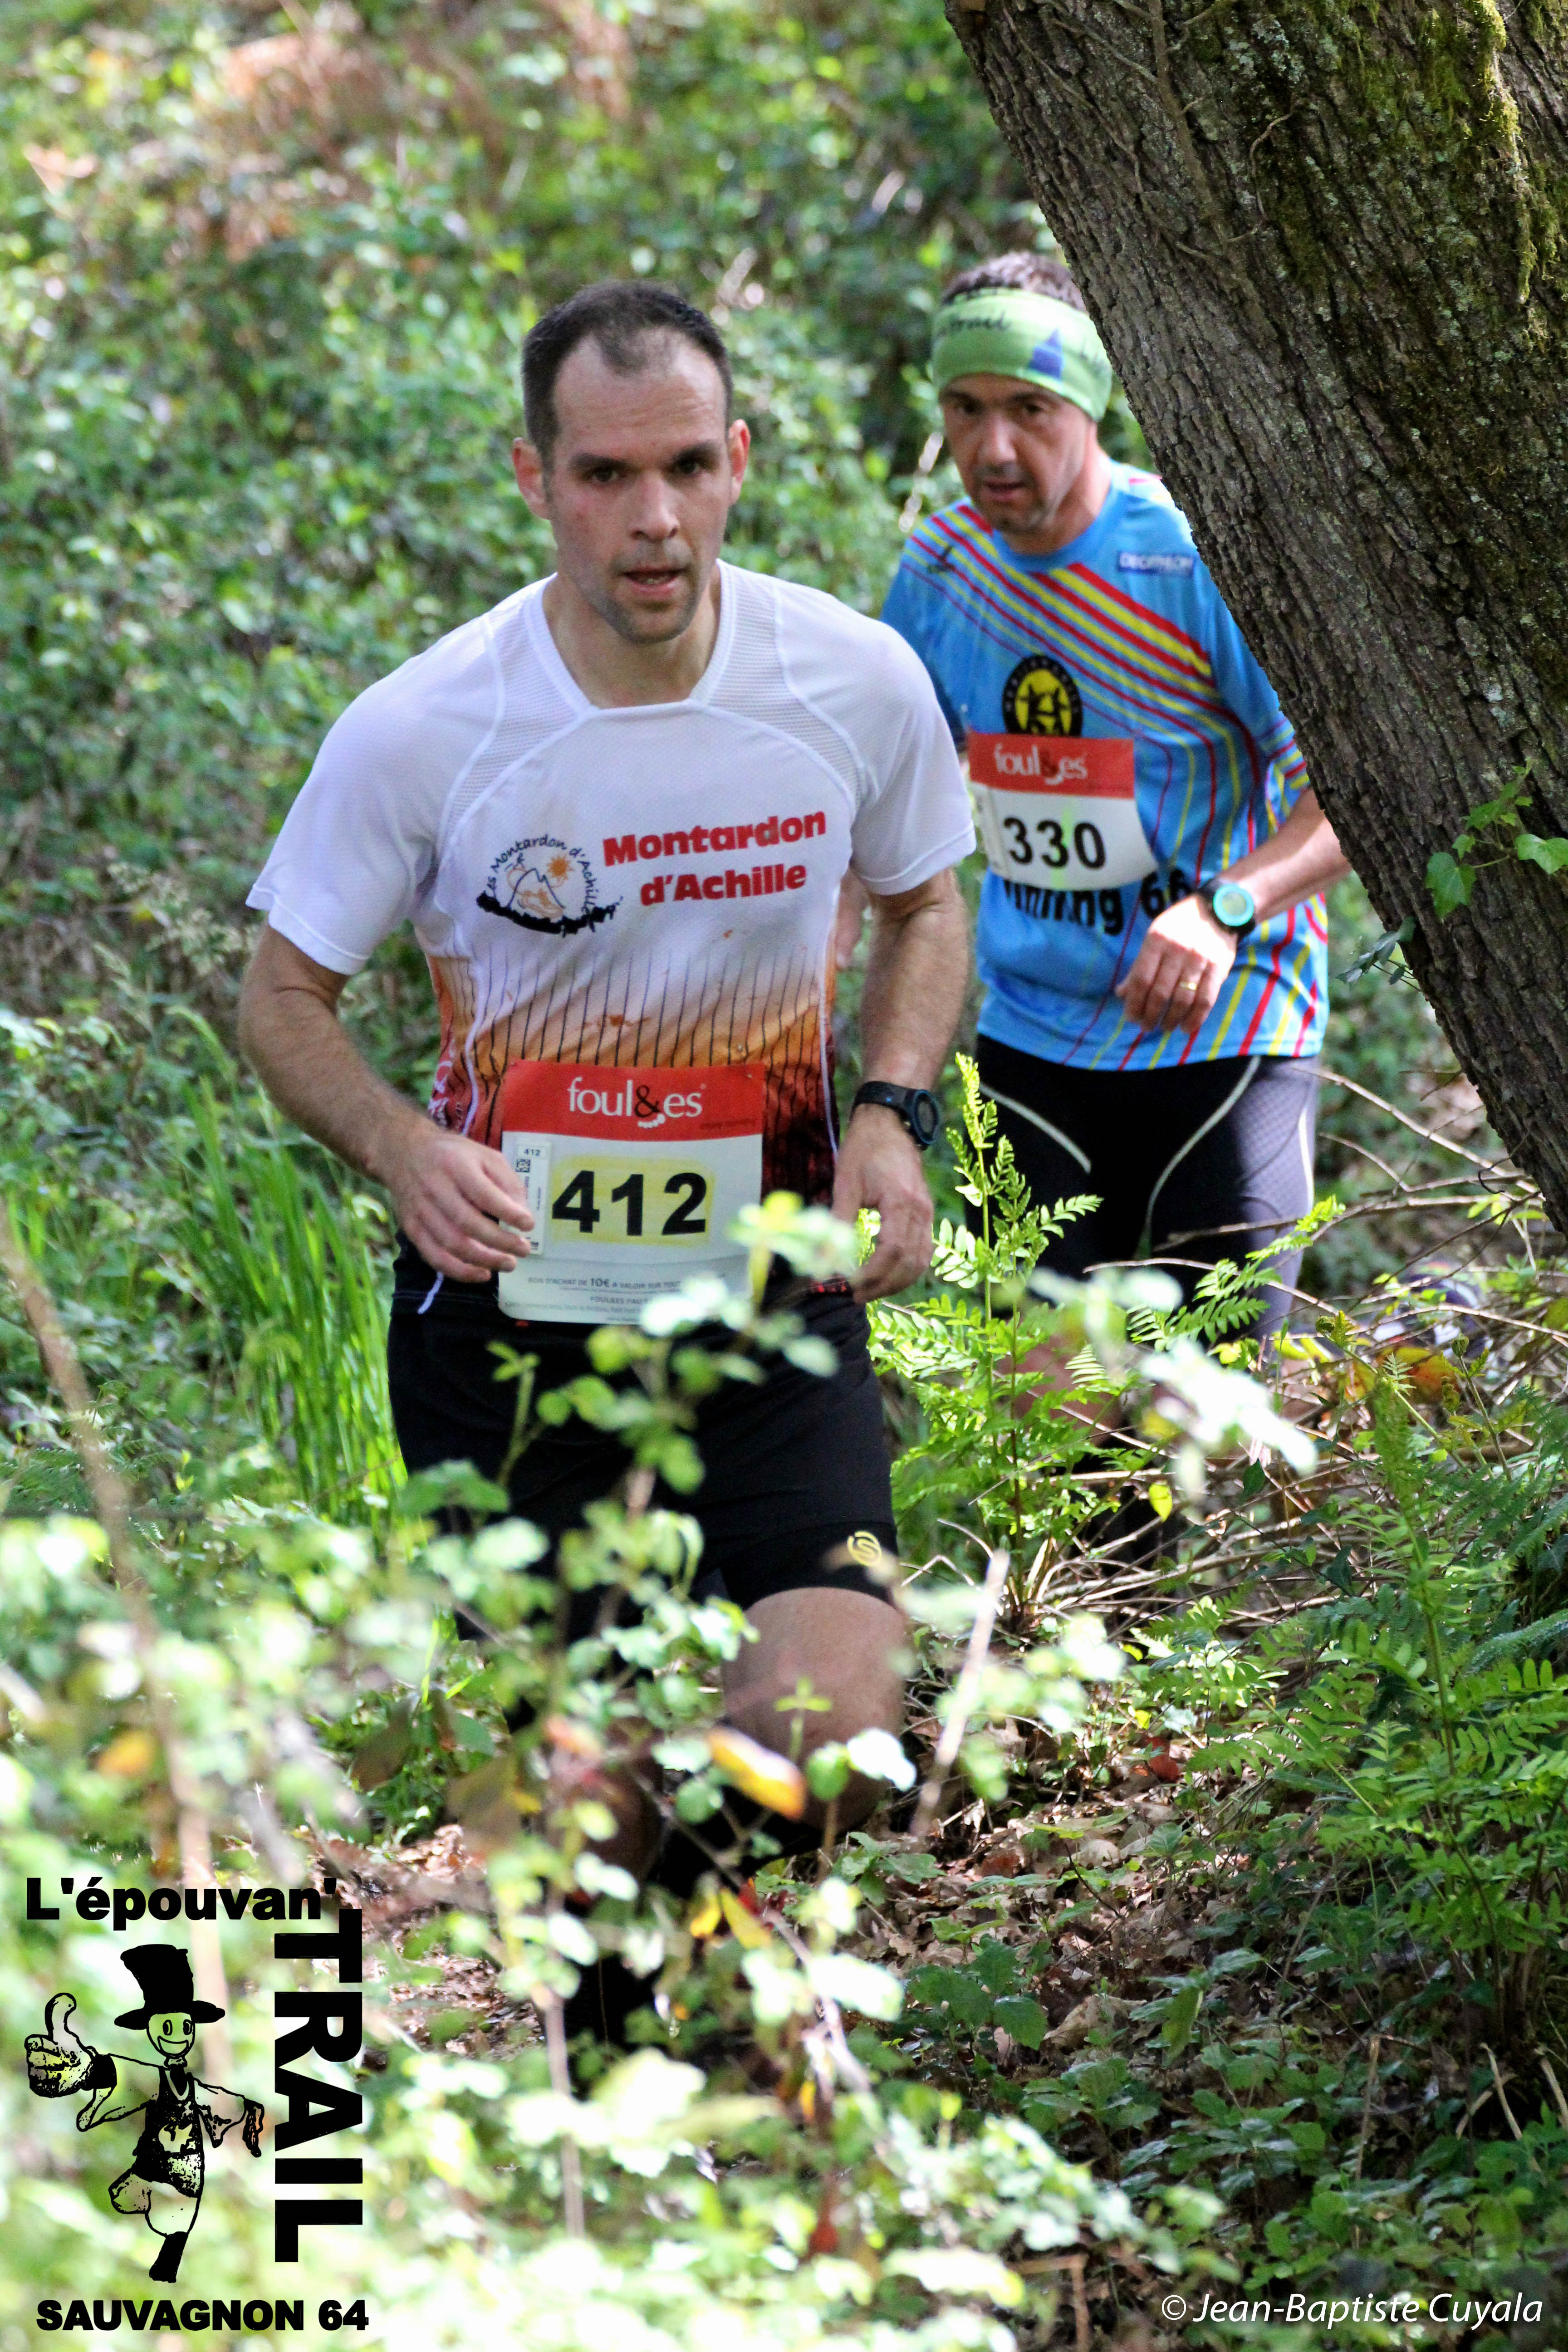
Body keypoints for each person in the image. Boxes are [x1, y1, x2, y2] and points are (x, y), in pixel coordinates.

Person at [237, 281, 974, 2033]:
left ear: (741, 464)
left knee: (834, 1728)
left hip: (768, 1301)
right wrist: (405, 1147)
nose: (653, 516)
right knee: (581, 1811)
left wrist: (890, 1114)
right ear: (533, 478)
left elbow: (927, 905)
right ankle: (616, 2057)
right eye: (604, 474)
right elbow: (280, 996)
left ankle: (688, 1989)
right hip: (512, 1327)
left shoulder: (848, 681)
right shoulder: (427, 726)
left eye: (687, 467)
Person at [881, 253, 1350, 1371]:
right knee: (1053, 1430)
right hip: (1036, 1040)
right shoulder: (941, 569)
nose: (994, 447)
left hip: (1228, 1031)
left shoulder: (1186, 556)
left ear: (1088, 405)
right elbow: (881, 808)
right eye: (965, 409)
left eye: (1029, 409)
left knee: (1206, 1413)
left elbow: (1351, 798)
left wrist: (1224, 908)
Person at [25, 1948, 264, 2283]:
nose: (179, 2035)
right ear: (152, 2029)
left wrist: (250, 2114)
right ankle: (162, 2259)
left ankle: (168, 2262)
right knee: (140, 2203)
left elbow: (219, 2100)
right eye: (168, 2025)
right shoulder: (159, 2078)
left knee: (178, 2223)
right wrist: (86, 2069)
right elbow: (114, 2070)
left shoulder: (190, 2086)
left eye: (185, 2026)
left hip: (186, 2168)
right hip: (157, 2165)